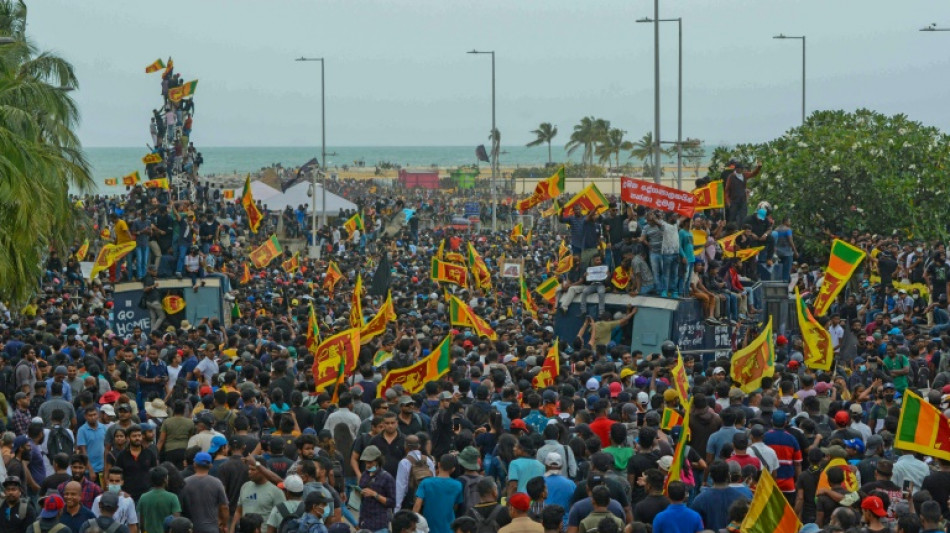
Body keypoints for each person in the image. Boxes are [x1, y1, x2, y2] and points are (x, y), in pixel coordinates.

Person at [413, 454, 464, 533]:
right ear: (453, 469)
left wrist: (413, 524)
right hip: (449, 529)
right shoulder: (458, 485)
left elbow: (417, 505)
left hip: (429, 528)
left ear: (439, 464)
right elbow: (455, 506)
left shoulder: (426, 483)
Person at [230, 460, 285, 533]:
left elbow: (281, 518)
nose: (249, 472)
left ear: (263, 470)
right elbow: (238, 511)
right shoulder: (245, 486)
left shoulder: (276, 491)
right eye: (249, 469)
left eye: (253, 469)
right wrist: (232, 530)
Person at [179, 453, 229, 533]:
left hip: (191, 529)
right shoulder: (217, 483)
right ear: (210, 466)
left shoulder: (185, 483)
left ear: (194, 464)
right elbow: (224, 507)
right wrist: (224, 524)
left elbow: (180, 508)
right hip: (212, 529)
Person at [356, 445, 396, 533]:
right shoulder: (364, 475)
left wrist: (374, 494)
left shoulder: (387, 478)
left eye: (370, 462)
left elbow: (392, 502)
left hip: (380, 524)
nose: (367, 465)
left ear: (377, 461)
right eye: (366, 462)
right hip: (365, 523)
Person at [137, 466, 181, 533]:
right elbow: (176, 521)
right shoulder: (173, 497)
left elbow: (141, 522)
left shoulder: (143, 497)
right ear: (165, 480)